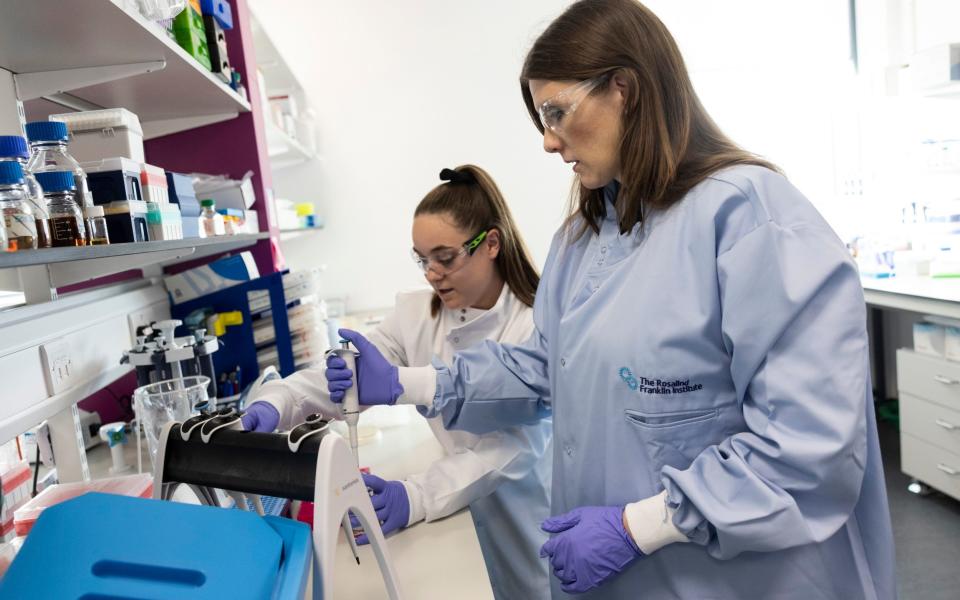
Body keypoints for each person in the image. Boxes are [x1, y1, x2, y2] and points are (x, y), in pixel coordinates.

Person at [325, 1, 897, 598]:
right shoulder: (582, 239)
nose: (548, 141)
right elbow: (547, 367)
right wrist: (410, 384)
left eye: (556, 112)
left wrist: (639, 526)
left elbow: (808, 447)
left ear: (623, 89)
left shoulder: (752, 220)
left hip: (741, 578)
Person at [242, 164, 552, 600]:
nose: (431, 273)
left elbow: (517, 445)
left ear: (492, 244)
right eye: (422, 259)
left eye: (445, 258)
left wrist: (418, 496)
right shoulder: (416, 313)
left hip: (522, 516)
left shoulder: (534, 321)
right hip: (454, 523)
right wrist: (282, 400)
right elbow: (353, 375)